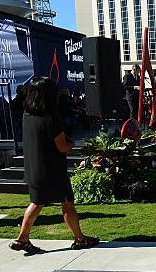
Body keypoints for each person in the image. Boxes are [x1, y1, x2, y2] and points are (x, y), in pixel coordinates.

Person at [8, 77, 99, 254]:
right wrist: (72, 143)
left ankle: (22, 238)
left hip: (33, 167)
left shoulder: (27, 115)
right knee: (67, 203)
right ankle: (79, 239)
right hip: (52, 169)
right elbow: (62, 146)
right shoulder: (51, 118)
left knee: (36, 202)